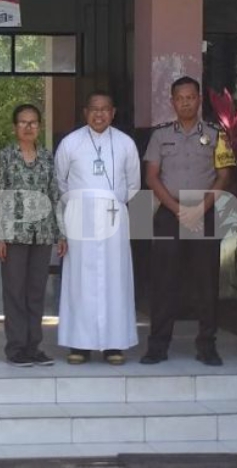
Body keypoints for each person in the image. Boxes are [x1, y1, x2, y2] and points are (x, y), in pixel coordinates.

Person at [141, 76, 237, 367]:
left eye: (190, 97)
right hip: (169, 215)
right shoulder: (160, 136)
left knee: (206, 282)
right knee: (164, 282)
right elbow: (151, 177)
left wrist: (200, 208)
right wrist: (176, 209)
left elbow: (224, 176)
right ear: (172, 102)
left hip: (204, 214)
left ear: (199, 100)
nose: (185, 102)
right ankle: (158, 345)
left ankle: (207, 346)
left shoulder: (216, 134)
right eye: (180, 98)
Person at [54, 91, 141, 365]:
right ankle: (79, 344)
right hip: (80, 218)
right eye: (94, 109)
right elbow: (60, 181)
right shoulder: (70, 143)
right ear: (85, 112)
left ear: (113, 112)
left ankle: (114, 344)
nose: (99, 114)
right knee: (80, 280)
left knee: (115, 280)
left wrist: (109, 203)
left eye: (105, 109)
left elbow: (134, 184)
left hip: (115, 217)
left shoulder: (126, 143)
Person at [0, 104, 65, 367]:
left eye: (33, 122)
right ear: (15, 127)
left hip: (42, 235)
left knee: (35, 292)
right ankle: (16, 347)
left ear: (39, 127)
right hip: (13, 235)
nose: (28, 127)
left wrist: (61, 233)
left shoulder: (47, 158)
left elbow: (55, 195)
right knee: (14, 291)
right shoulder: (4, 157)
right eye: (23, 122)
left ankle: (34, 346)